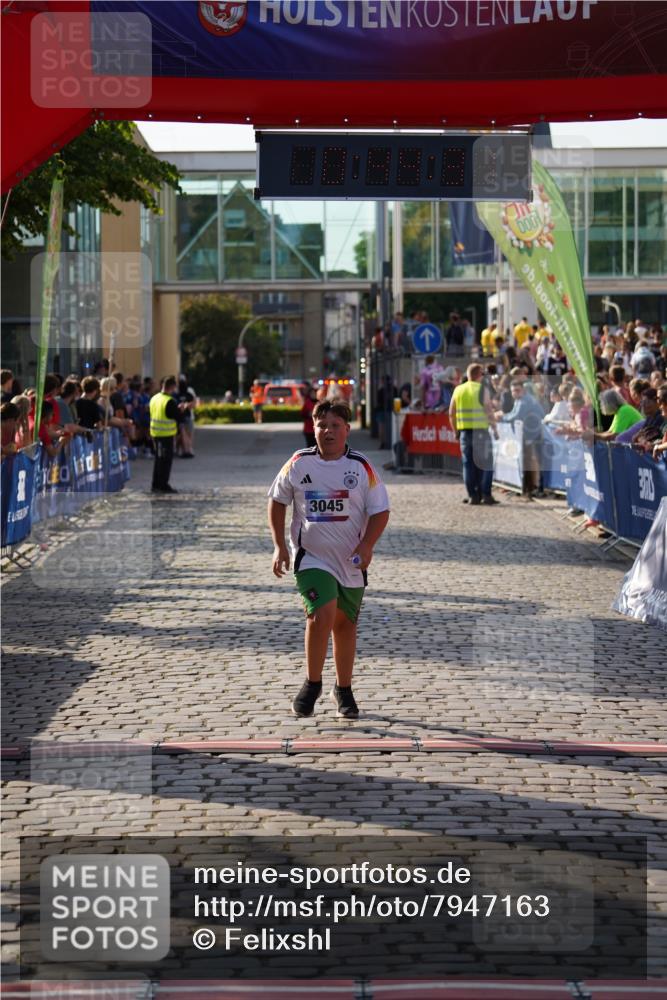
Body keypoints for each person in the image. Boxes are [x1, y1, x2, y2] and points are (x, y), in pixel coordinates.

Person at [268, 399, 390, 720]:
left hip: (351, 561)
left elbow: (380, 510)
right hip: (311, 558)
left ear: (347, 430)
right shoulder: (298, 463)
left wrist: (367, 546)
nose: (328, 431)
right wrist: (279, 545)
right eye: (322, 425)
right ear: (313, 427)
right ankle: (312, 683)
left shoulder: (362, 467)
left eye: (335, 425)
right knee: (322, 614)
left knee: (345, 624)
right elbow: (277, 500)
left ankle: (344, 689)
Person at [449, 363, 499, 506]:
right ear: (479, 375)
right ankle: (486, 494)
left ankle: (473, 496)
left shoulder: (458, 389)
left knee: (468, 465)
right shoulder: (483, 389)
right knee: (486, 464)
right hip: (481, 433)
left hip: (465, 432)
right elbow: (489, 411)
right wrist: (495, 429)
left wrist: (455, 431)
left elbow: (451, 413)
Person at [497, 379, 546, 495]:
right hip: (528, 434)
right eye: (513, 391)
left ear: (523, 390)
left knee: (534, 462)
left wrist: (502, 417)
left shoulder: (525, 400)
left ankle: (536, 488)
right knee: (527, 461)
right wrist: (504, 416)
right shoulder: (519, 400)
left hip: (535, 434)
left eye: (517, 390)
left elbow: (517, 416)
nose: (515, 393)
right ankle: (528, 487)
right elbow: (513, 413)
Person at [149, 375, 180, 494]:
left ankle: (156, 484)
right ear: (172, 387)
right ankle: (163, 485)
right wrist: (182, 409)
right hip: (166, 435)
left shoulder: (154, 398)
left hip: (155, 433)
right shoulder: (169, 401)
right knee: (165, 462)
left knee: (158, 460)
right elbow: (176, 416)